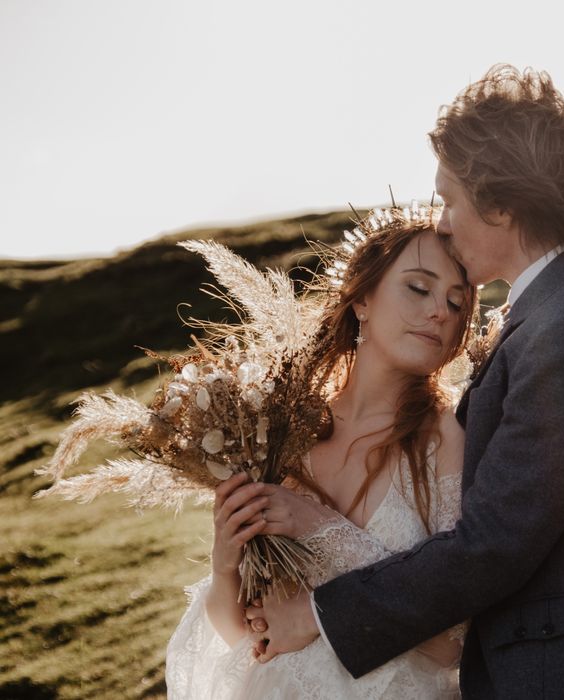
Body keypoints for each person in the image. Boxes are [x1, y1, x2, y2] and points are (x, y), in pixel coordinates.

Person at [247, 65, 564, 698]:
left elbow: (497, 543)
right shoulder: (560, 313)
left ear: (501, 202)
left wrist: (321, 614)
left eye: (450, 197)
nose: (443, 221)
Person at [165, 208, 479, 698]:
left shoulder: (444, 438)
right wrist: (224, 563)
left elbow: (449, 644)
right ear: (362, 300)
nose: (440, 310)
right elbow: (246, 638)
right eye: (419, 288)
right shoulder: (283, 437)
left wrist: (316, 532)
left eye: (457, 303)